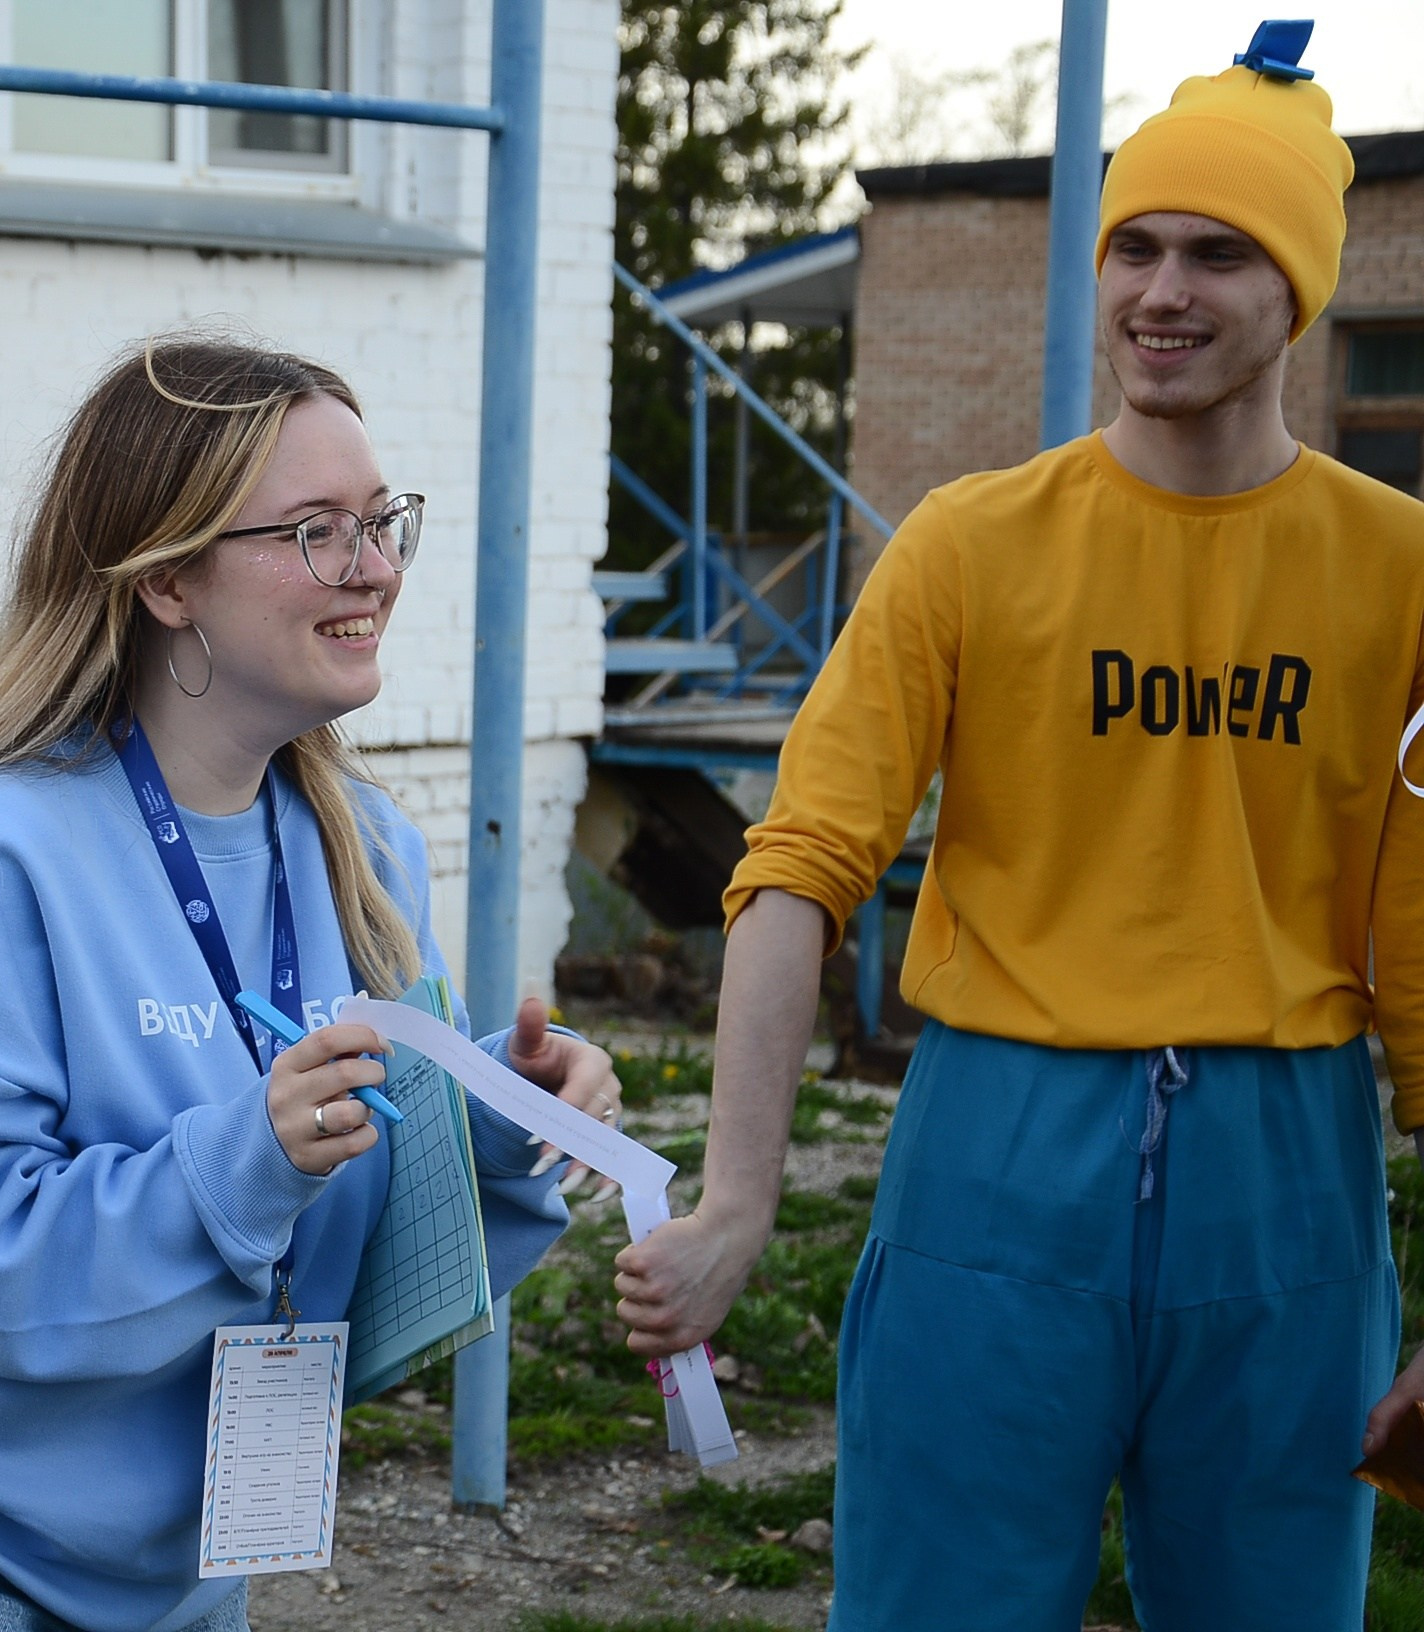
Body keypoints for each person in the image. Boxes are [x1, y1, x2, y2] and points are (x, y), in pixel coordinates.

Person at [610, 29, 1424, 1630]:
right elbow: (800, 871)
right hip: (995, 1156)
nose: (1159, 291)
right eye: (1133, 245)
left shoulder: (1398, 571)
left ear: (1300, 290)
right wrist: (735, 1203)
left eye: (1217, 253)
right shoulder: (971, 546)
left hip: (1288, 1186)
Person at [0, 335, 618, 1632]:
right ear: (168, 577)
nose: (377, 569)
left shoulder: (366, 855)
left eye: (383, 522)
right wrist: (246, 1161)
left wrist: (497, 1132)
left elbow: (346, 1265)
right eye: (318, 532)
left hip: (159, 1568)